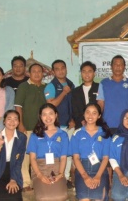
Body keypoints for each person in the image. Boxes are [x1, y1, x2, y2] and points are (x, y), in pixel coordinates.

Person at [14, 63, 48, 192]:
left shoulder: (46, 87)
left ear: (43, 73)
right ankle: (25, 182)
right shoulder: (24, 86)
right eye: (34, 71)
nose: (37, 73)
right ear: (29, 73)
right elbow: (18, 107)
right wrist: (20, 124)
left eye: (39, 71)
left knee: (39, 156)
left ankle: (37, 180)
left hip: (42, 129)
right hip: (27, 127)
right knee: (25, 157)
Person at [26, 103, 70, 201]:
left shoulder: (63, 135)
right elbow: (32, 158)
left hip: (57, 168)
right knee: (43, 197)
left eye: (50, 113)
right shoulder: (35, 135)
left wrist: (60, 174)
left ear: (56, 115)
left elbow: (63, 158)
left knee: (61, 196)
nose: (48, 117)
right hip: (39, 169)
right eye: (44, 114)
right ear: (40, 117)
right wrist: (40, 175)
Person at [69, 103, 111, 201]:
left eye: (94, 113)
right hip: (82, 170)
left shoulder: (105, 134)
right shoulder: (77, 134)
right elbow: (76, 158)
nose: (90, 116)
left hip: (100, 170)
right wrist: (85, 177)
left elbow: (105, 158)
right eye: (87, 112)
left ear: (99, 116)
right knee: (84, 199)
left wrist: (98, 176)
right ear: (84, 114)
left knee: (99, 198)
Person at [45, 59, 75, 187]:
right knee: (55, 153)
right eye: (57, 69)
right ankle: (53, 176)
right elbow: (52, 104)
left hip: (70, 125)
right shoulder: (50, 86)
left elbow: (73, 104)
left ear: (66, 69)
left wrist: (73, 119)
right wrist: (64, 92)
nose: (61, 70)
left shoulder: (71, 84)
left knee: (67, 154)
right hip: (56, 126)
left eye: (63, 68)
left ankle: (66, 177)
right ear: (53, 71)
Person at [0, 110, 28, 201]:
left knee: (15, 198)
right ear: (4, 121)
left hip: (13, 169)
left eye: (15, 119)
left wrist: (13, 179)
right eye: (9, 119)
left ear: (18, 122)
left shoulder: (22, 138)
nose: (12, 122)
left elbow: (19, 161)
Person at [97, 55, 128, 132]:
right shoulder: (103, 83)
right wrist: (98, 120)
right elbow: (100, 103)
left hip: (126, 125)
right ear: (111, 67)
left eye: (120, 64)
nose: (118, 67)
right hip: (107, 124)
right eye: (115, 64)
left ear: (124, 67)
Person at [71, 61, 100, 130]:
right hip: (80, 125)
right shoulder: (75, 91)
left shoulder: (100, 88)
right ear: (81, 74)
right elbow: (74, 109)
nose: (87, 74)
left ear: (94, 73)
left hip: (97, 125)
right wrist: (82, 120)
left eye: (90, 71)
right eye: (84, 71)